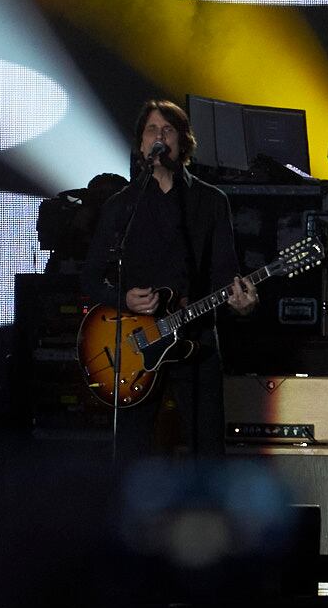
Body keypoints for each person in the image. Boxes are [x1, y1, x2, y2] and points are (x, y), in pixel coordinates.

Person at [81, 99, 260, 457]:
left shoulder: (211, 202)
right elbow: (88, 278)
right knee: (131, 452)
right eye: (152, 130)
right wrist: (123, 299)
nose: (159, 136)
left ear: (182, 142)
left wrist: (243, 304)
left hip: (196, 340)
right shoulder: (122, 206)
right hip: (136, 344)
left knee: (207, 450)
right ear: (142, 143)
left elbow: (226, 275)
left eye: (168, 130)